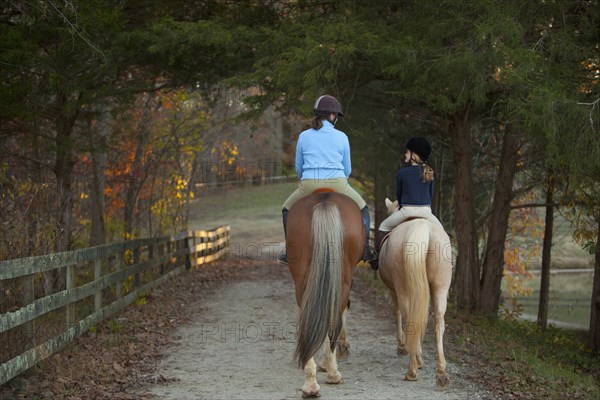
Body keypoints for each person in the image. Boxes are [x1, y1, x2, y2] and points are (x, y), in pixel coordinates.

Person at [278, 94, 375, 264]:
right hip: (337, 182)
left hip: (309, 183)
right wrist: (339, 181)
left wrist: (306, 180)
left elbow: (299, 167)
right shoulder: (342, 137)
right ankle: (366, 249)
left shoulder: (304, 136)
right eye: (336, 116)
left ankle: (289, 250)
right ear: (331, 115)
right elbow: (348, 169)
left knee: (286, 209)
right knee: (363, 208)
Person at [369, 137, 443, 270]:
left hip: (407, 210)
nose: (405, 154)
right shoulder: (430, 173)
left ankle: (375, 258)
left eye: (408, 152)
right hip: (426, 212)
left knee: (383, 226)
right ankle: (447, 263)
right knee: (442, 234)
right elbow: (430, 196)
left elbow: (399, 195)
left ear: (414, 156)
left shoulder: (402, 173)